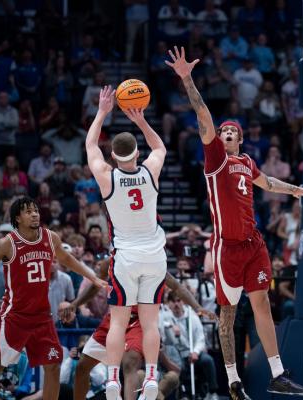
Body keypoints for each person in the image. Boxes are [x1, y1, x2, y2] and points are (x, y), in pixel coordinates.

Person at [166, 46, 303, 399]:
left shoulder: (247, 163)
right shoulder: (215, 157)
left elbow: (268, 184)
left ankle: (277, 373)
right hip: (226, 247)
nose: (226, 133)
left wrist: (294, 190)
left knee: (262, 303)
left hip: (254, 244)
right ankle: (232, 379)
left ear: (241, 139)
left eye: (232, 131)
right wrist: (187, 79)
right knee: (227, 315)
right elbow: (202, 114)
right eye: (224, 131)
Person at [0, 197, 107, 400]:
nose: (34, 214)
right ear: (17, 218)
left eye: (36, 211)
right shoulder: (7, 244)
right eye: (28, 211)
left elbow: (67, 259)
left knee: (53, 365)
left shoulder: (50, 237)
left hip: (42, 317)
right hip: (15, 316)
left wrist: (92, 276)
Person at [85, 86, 167, 400]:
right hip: (154, 257)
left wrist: (103, 111)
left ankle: (112, 382)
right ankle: (150, 379)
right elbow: (159, 148)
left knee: (118, 321)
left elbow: (91, 144)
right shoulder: (150, 172)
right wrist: (142, 121)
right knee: (150, 323)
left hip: (126, 259)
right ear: (136, 153)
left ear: (114, 155)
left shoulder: (107, 175)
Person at [65, 266, 216, 400]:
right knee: (82, 366)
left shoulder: (153, 262)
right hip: (114, 319)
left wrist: (197, 307)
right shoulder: (112, 260)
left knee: (131, 364)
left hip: (140, 320)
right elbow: (95, 286)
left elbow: (176, 286)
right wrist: (75, 304)